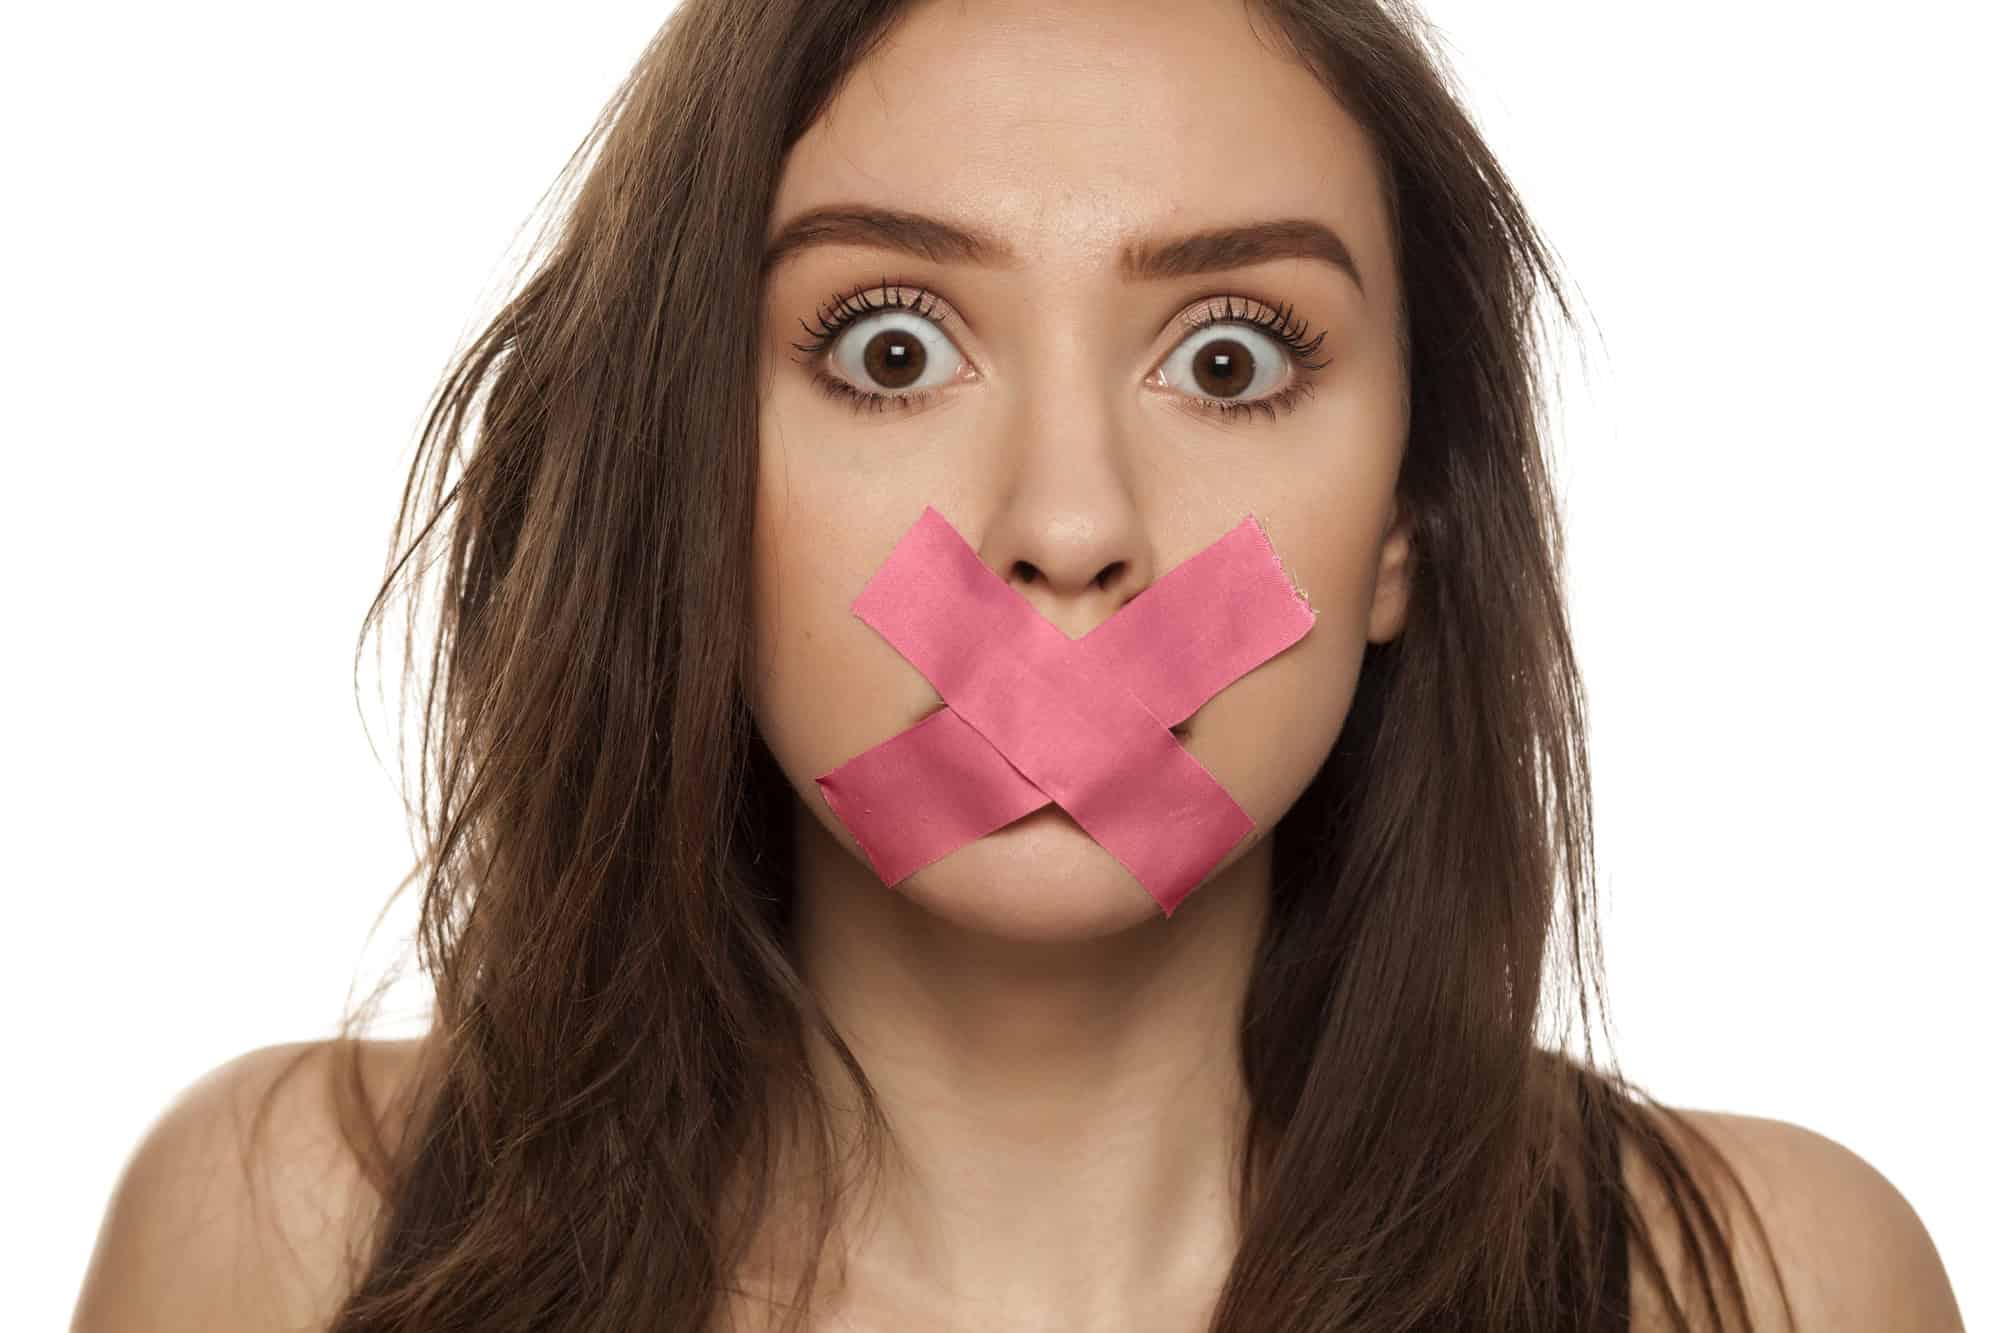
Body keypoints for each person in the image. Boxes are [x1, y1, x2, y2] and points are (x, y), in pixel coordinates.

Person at [71, 1, 1963, 1330]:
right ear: (690, 477)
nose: (1065, 523)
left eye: (1231, 358)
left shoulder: (1764, 1288)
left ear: (1406, 530)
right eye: (891, 347)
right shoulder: (285, 1242)